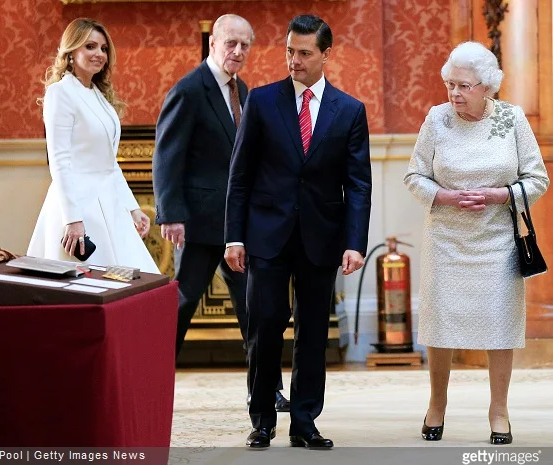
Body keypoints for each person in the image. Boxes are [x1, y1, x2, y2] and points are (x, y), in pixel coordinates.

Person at [225, 15, 372, 450]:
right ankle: (263, 418)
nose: (294, 61)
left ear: (326, 54)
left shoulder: (350, 110)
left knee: (313, 331)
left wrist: (354, 242)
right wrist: (235, 236)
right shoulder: (263, 101)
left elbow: (358, 183)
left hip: (321, 237)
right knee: (264, 325)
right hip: (266, 233)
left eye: (304, 53)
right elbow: (240, 175)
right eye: (290, 51)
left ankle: (305, 420)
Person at [404, 41, 549, 445]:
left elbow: (538, 178)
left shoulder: (512, 119)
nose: (454, 94)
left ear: (487, 87)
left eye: (464, 86)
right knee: (440, 326)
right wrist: (449, 197)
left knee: (500, 325)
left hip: (498, 241)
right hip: (446, 240)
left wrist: (499, 195)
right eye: (450, 84)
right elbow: (414, 176)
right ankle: (437, 405)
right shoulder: (436, 119)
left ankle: (499, 410)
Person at [152, 14, 289, 411]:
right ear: (214, 43)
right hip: (196, 223)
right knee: (181, 306)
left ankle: (265, 390)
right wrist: (171, 214)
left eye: (246, 45)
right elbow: (167, 156)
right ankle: (153, 382)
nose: (238, 51)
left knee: (254, 308)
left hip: (237, 226)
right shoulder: (190, 89)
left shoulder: (242, 90)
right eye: (231, 43)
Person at [28, 18, 159, 274]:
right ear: (71, 51)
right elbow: (59, 161)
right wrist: (73, 220)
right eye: (90, 46)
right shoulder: (60, 93)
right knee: (85, 287)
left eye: (103, 48)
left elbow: (109, 164)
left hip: (109, 205)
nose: (99, 54)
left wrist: (132, 208)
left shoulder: (99, 96)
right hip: (79, 208)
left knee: (130, 283)